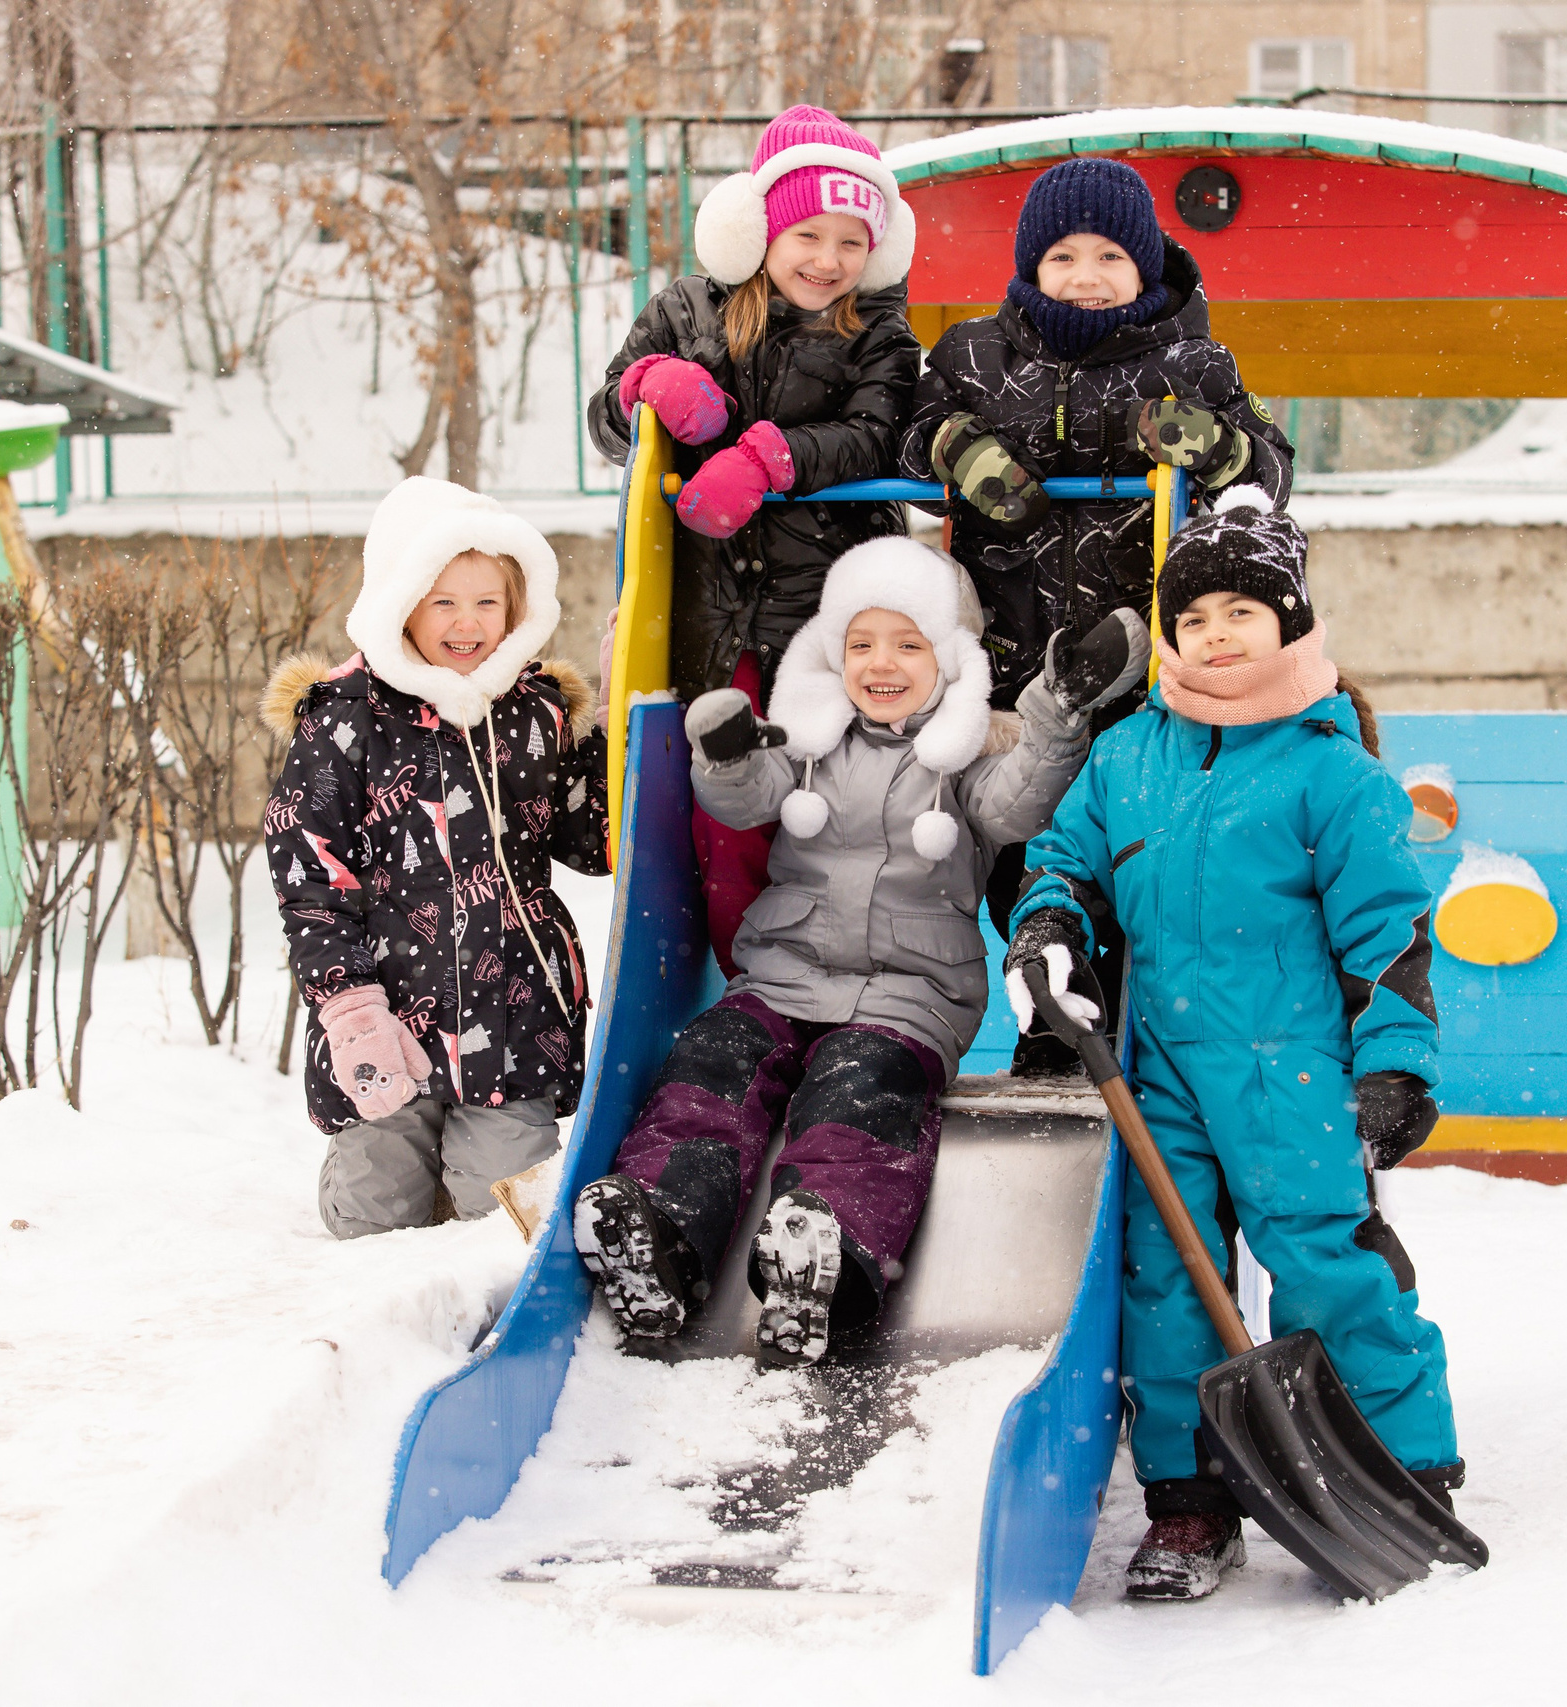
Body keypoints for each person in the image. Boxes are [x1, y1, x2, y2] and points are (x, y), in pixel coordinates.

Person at [1005, 488, 1461, 1601]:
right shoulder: (1128, 758)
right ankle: (1193, 1504)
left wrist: (1395, 1063)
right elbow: (1060, 860)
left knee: (1328, 1266)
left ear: (1291, 622)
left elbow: (1387, 936)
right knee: (1166, 1280)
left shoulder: (1329, 772)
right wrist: (1051, 929)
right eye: (1194, 614)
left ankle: (1402, 1474)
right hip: (1159, 1070)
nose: (1213, 634)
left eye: (1241, 612)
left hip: (1291, 1072)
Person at [570, 538, 1147, 1367]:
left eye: (910, 645)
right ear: (833, 653)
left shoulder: (966, 759)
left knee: (861, 1095)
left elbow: (1022, 803)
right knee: (712, 1064)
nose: (884, 663)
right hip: (782, 972)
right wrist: (725, 751)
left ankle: (824, 1258)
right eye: (863, 643)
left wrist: (1057, 710)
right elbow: (741, 797)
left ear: (949, 660)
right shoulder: (807, 742)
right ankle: (662, 1232)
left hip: (908, 994)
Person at [899, 155, 1294, 1073]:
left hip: (1142, 667)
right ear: (1030, 267)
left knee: (1126, 853)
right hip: (1012, 663)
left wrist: (1220, 445)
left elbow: (1270, 469)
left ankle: (1115, 1022)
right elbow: (910, 431)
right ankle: (1053, 1014)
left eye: (1110, 255)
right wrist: (960, 448)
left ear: (1147, 267)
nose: (1085, 275)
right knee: (1015, 849)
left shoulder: (1194, 362)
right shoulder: (972, 356)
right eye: (1063, 255)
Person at [587, 103, 922, 977]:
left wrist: (772, 456)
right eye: (808, 233)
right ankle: (749, 979)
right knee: (727, 808)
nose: (829, 260)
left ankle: (844, 969)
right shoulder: (687, 311)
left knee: (826, 801)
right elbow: (607, 416)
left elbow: (880, 433)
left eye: (853, 241)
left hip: (823, 613)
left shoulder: (878, 329)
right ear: (758, 227)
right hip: (711, 611)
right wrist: (645, 386)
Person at [261, 477, 609, 1239]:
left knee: (507, 1216)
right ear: (400, 601)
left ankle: (470, 1170)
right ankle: (385, 1171)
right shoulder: (344, 722)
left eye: (488, 602)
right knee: (375, 1219)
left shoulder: (535, 713)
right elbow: (310, 879)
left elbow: (594, 840)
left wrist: (623, 715)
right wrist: (350, 1008)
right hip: (388, 1015)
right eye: (443, 601)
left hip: (512, 1018)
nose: (467, 623)